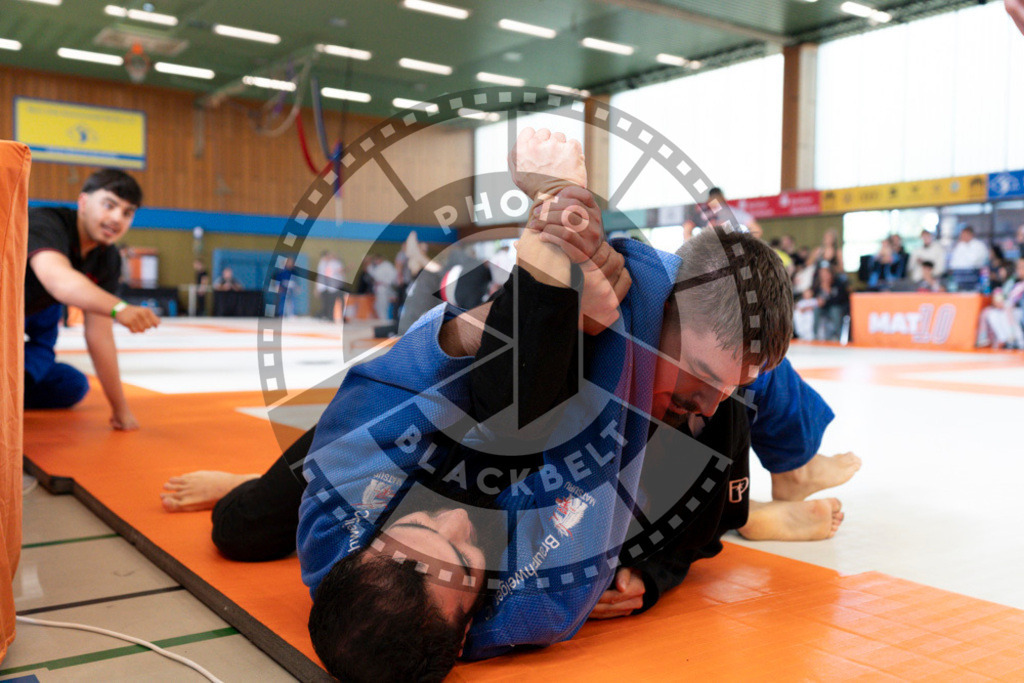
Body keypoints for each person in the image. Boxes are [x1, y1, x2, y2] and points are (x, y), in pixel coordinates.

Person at [163, 132, 847, 679]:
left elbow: (390, 383)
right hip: (565, 410)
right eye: (463, 559)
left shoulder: (335, 524)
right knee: (626, 462)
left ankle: (773, 466)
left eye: (422, 530)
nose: (457, 521)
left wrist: (527, 300)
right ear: (470, 629)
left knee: (243, 524)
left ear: (364, 548)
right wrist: (646, 573)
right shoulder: (536, 603)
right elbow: (591, 476)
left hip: (425, 410)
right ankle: (746, 512)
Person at [24, 168, 159, 429]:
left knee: (71, 385)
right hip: (13, 310)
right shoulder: (46, 222)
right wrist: (119, 307)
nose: (117, 218)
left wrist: (120, 409)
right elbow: (58, 279)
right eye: (109, 205)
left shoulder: (107, 259)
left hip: (34, 320)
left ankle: (12, 391)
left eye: (127, 212)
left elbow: (100, 335)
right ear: (84, 202)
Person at [948, 226, 989, 291]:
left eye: (964, 234)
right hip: (959, 274)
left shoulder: (979, 245)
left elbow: (974, 261)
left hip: (974, 273)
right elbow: (953, 263)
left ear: (970, 234)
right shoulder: (959, 246)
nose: (962, 236)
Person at [315, 251, 345, 321]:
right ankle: (324, 315)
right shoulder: (322, 264)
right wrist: (316, 288)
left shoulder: (332, 263)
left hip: (331, 286)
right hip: (326, 286)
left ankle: (327, 316)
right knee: (327, 303)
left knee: (331, 302)